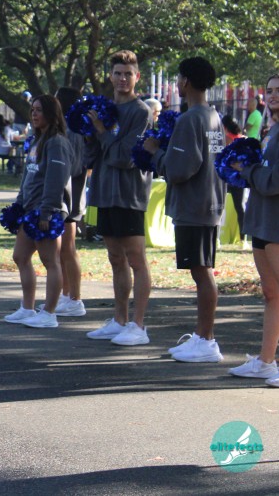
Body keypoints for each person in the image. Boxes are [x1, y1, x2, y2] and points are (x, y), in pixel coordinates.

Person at [142, 57, 226, 362]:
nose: (177, 83)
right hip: (208, 201)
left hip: (195, 204)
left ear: (186, 82)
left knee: (201, 272)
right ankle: (202, 336)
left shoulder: (191, 119)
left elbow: (179, 169)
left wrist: (155, 153)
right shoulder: (213, 116)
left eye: (178, 78)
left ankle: (206, 340)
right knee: (201, 270)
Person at [85, 50, 154, 346]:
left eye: (128, 74)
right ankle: (119, 320)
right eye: (117, 73)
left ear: (137, 77)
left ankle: (139, 326)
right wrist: (89, 133)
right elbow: (94, 154)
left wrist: (102, 132)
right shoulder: (104, 108)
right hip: (104, 190)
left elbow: (126, 156)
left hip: (129, 193)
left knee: (136, 258)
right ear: (110, 76)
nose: (123, 78)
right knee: (115, 258)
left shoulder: (141, 112)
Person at [227, 72, 279, 386]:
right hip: (262, 221)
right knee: (271, 295)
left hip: (277, 226)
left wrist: (247, 170)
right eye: (270, 90)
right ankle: (266, 362)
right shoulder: (271, 130)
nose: (273, 95)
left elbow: (274, 181)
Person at [5, 95, 73, 328]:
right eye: (32, 109)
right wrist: (18, 204)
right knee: (20, 256)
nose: (34, 114)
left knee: (50, 261)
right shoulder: (37, 140)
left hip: (46, 210)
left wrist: (47, 211)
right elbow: (28, 176)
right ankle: (27, 307)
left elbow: (56, 179)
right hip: (29, 208)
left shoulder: (57, 142)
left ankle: (49, 313)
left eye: (39, 110)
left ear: (52, 114)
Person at [54, 86, 93, 318]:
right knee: (62, 250)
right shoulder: (67, 128)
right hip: (67, 194)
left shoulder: (74, 130)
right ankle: (66, 294)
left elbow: (77, 166)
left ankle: (75, 298)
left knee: (68, 248)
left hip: (71, 195)